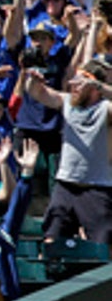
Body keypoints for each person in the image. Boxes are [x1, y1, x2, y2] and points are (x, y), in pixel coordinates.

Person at [23, 59, 112, 243]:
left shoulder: (105, 108)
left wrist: (100, 86)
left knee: (103, 246)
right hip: (65, 185)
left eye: (79, 83)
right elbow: (38, 93)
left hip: (96, 187)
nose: (73, 86)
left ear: (93, 87)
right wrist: (33, 79)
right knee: (51, 239)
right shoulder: (68, 102)